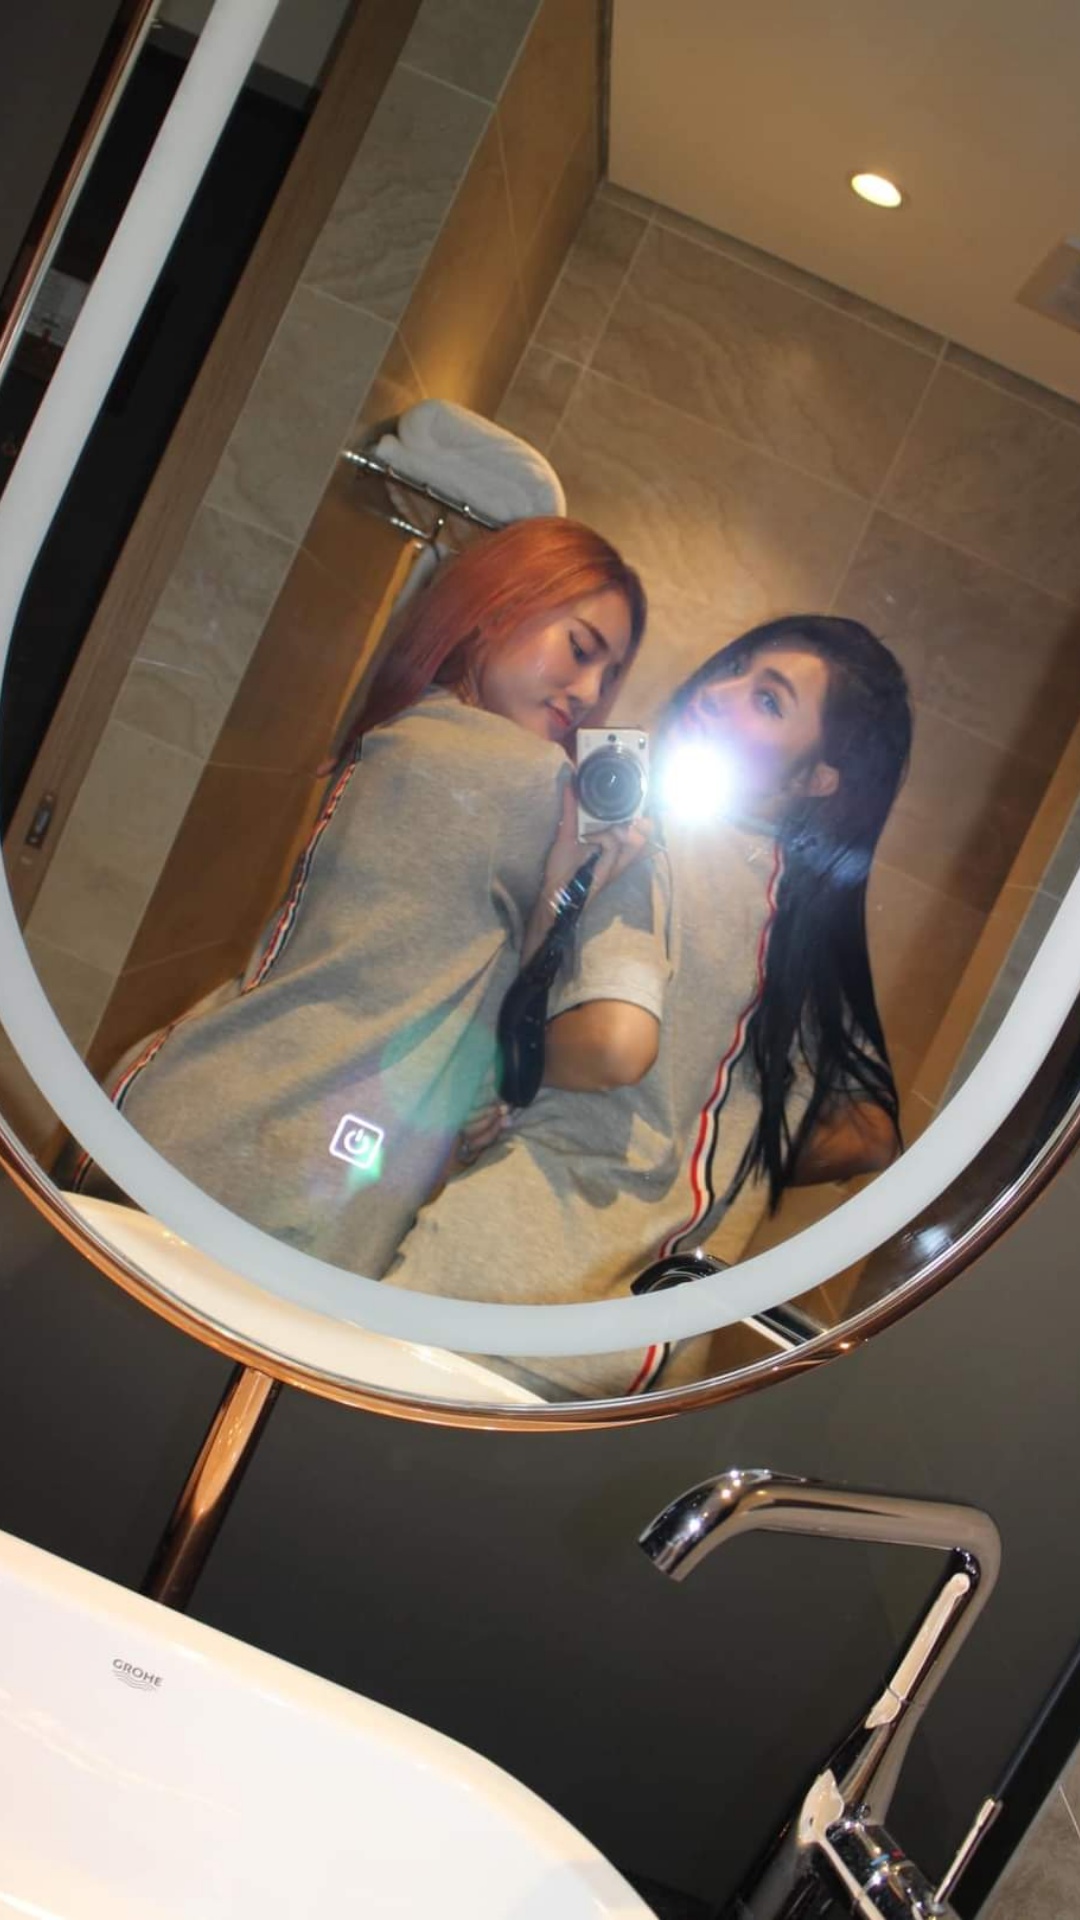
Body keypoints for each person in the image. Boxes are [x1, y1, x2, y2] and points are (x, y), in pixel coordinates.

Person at [73, 517, 648, 1279]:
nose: (589, 692)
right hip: (252, 1159)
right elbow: (604, 1033)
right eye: (580, 649)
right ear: (499, 609)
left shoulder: (411, 730)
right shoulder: (526, 777)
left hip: (218, 1125)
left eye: (609, 675)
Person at [386, 615, 913, 1400]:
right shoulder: (802, 926)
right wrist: (713, 1136)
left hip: (497, 1286)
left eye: (767, 700)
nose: (719, 691)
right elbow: (870, 1133)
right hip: (646, 1359)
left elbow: (612, 1048)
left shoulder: (647, 833)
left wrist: (499, 1070)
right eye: (736, 668)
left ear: (816, 778)